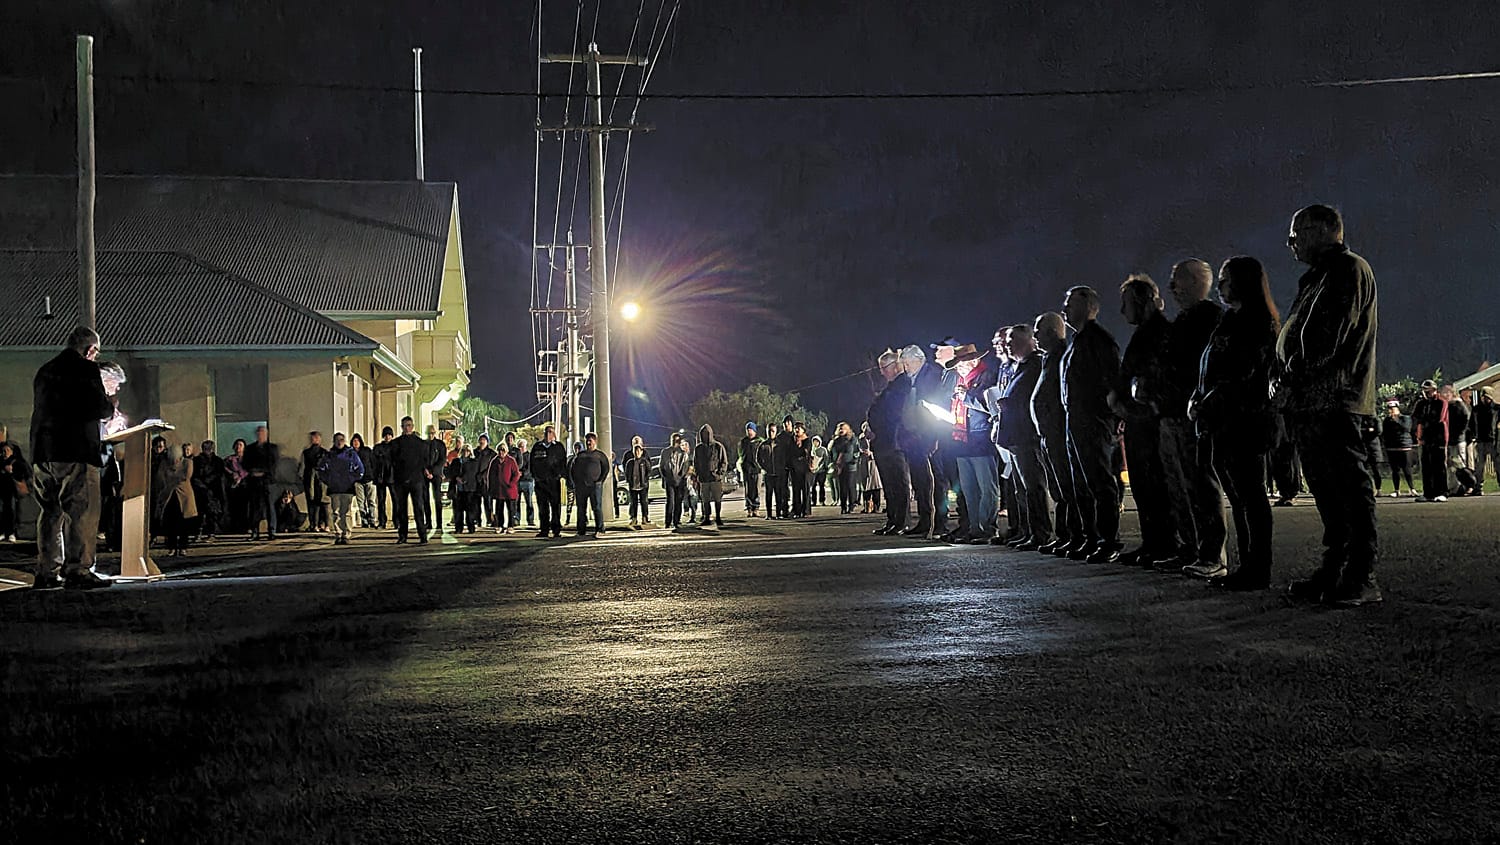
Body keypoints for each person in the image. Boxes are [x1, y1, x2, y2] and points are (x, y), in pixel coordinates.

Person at [1276, 204, 1381, 606]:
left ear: (1322, 230)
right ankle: (1334, 567)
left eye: (1296, 234)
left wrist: (1289, 374)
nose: (1291, 244)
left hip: (1336, 398)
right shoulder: (1317, 277)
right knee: (1326, 490)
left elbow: (1326, 337)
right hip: (1310, 401)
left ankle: (1361, 575)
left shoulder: (1348, 270)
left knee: (1349, 489)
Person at [1190, 256, 1280, 591]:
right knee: (1239, 497)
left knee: (1250, 496)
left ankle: (1258, 567)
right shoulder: (1231, 320)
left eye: (1226, 280)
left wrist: (1212, 398)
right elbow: (1212, 367)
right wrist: (1198, 398)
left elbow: (1247, 374)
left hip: (1245, 421)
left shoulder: (1258, 323)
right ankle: (1248, 565)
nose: (1220, 286)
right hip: (1221, 422)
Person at [28, 326, 116, 589]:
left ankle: (46, 570)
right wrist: (110, 404)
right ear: (90, 349)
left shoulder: (44, 370)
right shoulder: (87, 370)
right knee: (80, 510)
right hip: (75, 450)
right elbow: (100, 408)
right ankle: (78, 570)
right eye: (95, 352)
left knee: (50, 511)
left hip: (43, 452)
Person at [1161, 260, 1227, 577]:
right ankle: (1191, 548)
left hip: (1195, 414)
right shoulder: (1183, 320)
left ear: (1196, 282)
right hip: (1175, 411)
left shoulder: (1211, 319)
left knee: (1202, 484)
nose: (1172, 287)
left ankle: (1213, 555)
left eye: (1178, 280)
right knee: (1182, 486)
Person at [1108, 276, 1176, 565]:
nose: (1123, 312)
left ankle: (1164, 544)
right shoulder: (1145, 332)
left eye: (1126, 304)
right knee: (1143, 485)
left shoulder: (1158, 332)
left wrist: (1128, 404)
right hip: (1136, 421)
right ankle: (1152, 543)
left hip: (1148, 422)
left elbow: (1151, 379)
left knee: (1154, 485)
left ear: (1141, 301)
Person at [1060, 287, 1125, 563]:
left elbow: (1113, 379)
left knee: (1100, 482)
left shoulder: (1099, 340)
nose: (1064, 309)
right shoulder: (1078, 341)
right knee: (1082, 484)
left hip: (1094, 420)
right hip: (1076, 420)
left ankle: (1107, 540)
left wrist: (1113, 418)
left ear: (1088, 306)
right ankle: (1090, 538)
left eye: (1070, 304)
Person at [997, 323, 1051, 550]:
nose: (1008, 347)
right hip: (1016, 437)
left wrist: (1011, 404)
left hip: (1027, 435)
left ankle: (1041, 532)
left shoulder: (1036, 365)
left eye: (1013, 342)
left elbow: (1035, 398)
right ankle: (1028, 530)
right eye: (1007, 343)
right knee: (1022, 489)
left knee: (1033, 487)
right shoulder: (1020, 366)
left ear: (1028, 341)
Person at [898, 345, 946, 538]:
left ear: (918, 360)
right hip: (913, 436)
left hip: (929, 435)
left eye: (907, 362)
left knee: (937, 482)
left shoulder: (932, 375)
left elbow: (935, 406)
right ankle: (925, 520)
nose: (905, 366)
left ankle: (940, 523)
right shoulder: (909, 379)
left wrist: (934, 436)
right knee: (920, 482)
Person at [867, 349, 912, 535]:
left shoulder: (902, 385)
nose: (881, 372)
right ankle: (893, 520)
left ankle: (901, 521)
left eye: (883, 368)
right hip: (883, 441)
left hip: (893, 442)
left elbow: (894, 414)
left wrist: (876, 425)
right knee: (889, 485)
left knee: (898, 484)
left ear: (895, 366)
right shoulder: (891, 387)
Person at [389, 416, 431, 544]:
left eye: (408, 425)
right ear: (401, 427)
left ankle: (422, 535)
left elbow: (426, 461)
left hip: (416, 480)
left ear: (412, 427)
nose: (406, 428)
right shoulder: (395, 444)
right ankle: (402, 536)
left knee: (419, 508)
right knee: (401, 509)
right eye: (404, 426)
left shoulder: (421, 444)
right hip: (400, 480)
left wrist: (426, 471)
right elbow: (392, 461)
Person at [317, 432, 365, 545]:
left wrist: (352, 479)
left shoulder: (351, 454)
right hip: (334, 488)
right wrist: (328, 480)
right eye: (337, 440)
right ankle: (338, 534)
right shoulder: (329, 455)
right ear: (334, 441)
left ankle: (346, 534)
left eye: (342, 440)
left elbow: (360, 469)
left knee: (347, 512)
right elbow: (321, 470)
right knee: (336, 512)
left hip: (347, 488)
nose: (340, 442)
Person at [152, 439, 198, 557]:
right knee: (170, 523)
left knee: (184, 523)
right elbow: (160, 478)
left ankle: (183, 547)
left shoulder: (188, 463)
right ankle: (171, 547)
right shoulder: (164, 464)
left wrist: (171, 479)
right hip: (169, 497)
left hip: (183, 497)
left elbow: (185, 477)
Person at [1413, 379, 1450, 503]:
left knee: (1439, 466)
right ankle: (1428, 493)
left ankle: (1442, 492)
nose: (1426, 394)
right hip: (1426, 438)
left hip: (1438, 437)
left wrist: (1425, 420)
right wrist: (1419, 434)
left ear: (1434, 391)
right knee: (1426, 466)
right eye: (1424, 391)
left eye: (1428, 391)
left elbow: (1438, 418)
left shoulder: (1441, 402)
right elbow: (1416, 417)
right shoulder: (1421, 404)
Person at [243, 427, 281, 541]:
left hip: (267, 481)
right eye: (259, 433)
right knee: (255, 507)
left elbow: (274, 464)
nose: (261, 435)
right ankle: (255, 532)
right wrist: (253, 472)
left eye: (263, 433)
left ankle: (272, 531)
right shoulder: (250, 449)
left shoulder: (272, 448)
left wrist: (262, 472)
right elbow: (245, 463)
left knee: (270, 506)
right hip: (254, 482)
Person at [570, 433, 610, 537]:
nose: (588, 443)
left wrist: (600, 481)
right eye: (587, 441)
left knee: (597, 507)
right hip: (581, 487)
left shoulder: (600, 455)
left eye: (590, 441)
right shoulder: (580, 455)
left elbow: (606, 469)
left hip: (595, 486)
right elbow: (572, 469)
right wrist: (575, 482)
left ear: (595, 442)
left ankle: (600, 529)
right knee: (581, 508)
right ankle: (581, 530)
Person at [1442, 384, 1479, 496]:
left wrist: (1459, 433)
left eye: (1445, 393)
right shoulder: (1450, 406)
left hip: (1458, 440)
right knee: (1452, 465)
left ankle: (1467, 485)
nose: (1443, 395)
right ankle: (1454, 487)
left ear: (1451, 394)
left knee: (1459, 464)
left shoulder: (1458, 405)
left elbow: (1465, 420)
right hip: (1452, 439)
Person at [530, 426, 567, 539]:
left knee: (555, 506)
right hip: (540, 482)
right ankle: (544, 529)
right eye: (546, 432)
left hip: (553, 482)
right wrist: (535, 477)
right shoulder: (537, 447)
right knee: (542, 508)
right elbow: (532, 463)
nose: (548, 434)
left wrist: (559, 475)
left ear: (554, 434)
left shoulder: (559, 447)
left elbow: (563, 463)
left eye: (550, 432)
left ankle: (556, 530)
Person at [190, 439, 226, 541]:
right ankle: (198, 532)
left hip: (214, 491)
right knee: (199, 513)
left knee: (212, 512)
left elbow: (220, 474)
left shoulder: (218, 461)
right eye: (206, 448)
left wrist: (210, 482)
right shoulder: (196, 460)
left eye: (209, 448)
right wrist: (201, 484)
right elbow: (194, 475)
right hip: (200, 490)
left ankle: (211, 533)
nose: (207, 450)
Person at [693, 424, 730, 527]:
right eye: (703, 434)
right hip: (704, 479)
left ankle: (718, 517)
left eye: (707, 433)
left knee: (717, 499)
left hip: (715, 478)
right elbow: (695, 463)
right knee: (705, 500)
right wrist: (698, 474)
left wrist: (720, 474)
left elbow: (724, 462)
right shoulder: (698, 448)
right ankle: (706, 517)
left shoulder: (718, 446)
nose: (705, 435)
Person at [1380, 399, 1417, 498]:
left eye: (1393, 409)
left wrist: (1396, 420)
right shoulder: (1387, 420)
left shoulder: (1406, 418)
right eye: (1390, 409)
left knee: (1407, 469)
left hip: (1404, 447)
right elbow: (1385, 432)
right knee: (1395, 470)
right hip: (1392, 448)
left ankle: (1412, 489)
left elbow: (1407, 428)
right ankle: (1397, 490)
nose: (1391, 411)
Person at [1, 441, 32, 542]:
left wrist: (11, 473)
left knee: (12, 511)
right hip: (4, 491)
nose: (5, 453)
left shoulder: (18, 462)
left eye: (7, 450)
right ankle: (3, 532)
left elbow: (26, 474)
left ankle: (11, 532)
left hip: (14, 492)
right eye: (3, 451)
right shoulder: (1, 462)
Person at [1469, 387, 1499, 493]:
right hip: (1481, 440)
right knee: (1479, 465)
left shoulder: (1496, 409)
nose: (1485, 399)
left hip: (1493, 440)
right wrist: (1473, 435)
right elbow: (1471, 424)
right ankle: (1478, 487)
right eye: (1484, 397)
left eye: (1487, 397)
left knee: (1498, 464)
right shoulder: (1476, 409)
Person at [300, 431, 329, 533]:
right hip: (309, 480)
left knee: (323, 502)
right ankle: (313, 523)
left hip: (321, 480)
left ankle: (323, 523)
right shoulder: (306, 452)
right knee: (311, 502)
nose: (315, 439)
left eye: (317, 438)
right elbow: (302, 467)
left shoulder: (325, 452)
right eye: (313, 438)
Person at [829, 422, 860, 514]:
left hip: (850, 466)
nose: (841, 430)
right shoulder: (837, 441)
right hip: (840, 466)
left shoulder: (853, 439)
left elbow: (856, 451)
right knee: (842, 487)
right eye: (840, 429)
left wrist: (854, 459)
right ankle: (843, 506)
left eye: (843, 428)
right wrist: (835, 462)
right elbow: (832, 452)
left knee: (850, 485)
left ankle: (851, 505)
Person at [660, 433, 690, 529]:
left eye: (677, 440)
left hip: (680, 481)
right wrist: (666, 477)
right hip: (669, 481)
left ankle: (676, 521)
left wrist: (680, 477)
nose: (675, 442)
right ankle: (668, 522)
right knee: (670, 502)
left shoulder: (683, 453)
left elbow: (685, 467)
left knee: (678, 501)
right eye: (673, 440)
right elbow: (662, 466)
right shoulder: (665, 452)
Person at [623, 437, 653, 528]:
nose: (637, 452)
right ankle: (633, 518)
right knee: (633, 502)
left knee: (644, 501)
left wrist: (646, 479)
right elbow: (626, 469)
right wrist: (629, 480)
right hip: (633, 485)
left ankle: (645, 518)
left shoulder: (645, 458)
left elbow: (649, 469)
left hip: (643, 484)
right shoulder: (629, 458)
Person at [491, 443, 520, 533]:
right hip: (499, 489)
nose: (501, 452)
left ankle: (510, 526)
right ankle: (499, 525)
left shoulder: (511, 460)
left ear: (506, 451)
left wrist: (511, 483)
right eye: (499, 450)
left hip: (509, 490)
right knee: (499, 509)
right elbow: (490, 475)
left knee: (511, 509)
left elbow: (516, 473)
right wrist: (491, 487)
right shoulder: (494, 461)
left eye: (503, 450)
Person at [371, 426, 395, 529]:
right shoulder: (378, 448)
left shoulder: (395, 446)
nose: (387, 437)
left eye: (389, 435)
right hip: (380, 477)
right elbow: (374, 462)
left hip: (392, 476)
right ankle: (382, 521)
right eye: (386, 435)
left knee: (396, 499)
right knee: (381, 500)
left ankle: (396, 521)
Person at [349, 433, 375, 528]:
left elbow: (373, 463)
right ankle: (364, 520)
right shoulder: (350, 453)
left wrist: (373, 475)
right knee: (361, 502)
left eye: (357, 441)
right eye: (354, 441)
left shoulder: (367, 451)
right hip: (358, 481)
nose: (356, 443)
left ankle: (372, 519)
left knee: (371, 501)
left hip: (369, 479)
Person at [424, 425, 447, 532]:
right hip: (425, 474)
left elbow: (442, 460)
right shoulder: (423, 445)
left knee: (437, 499)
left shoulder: (440, 445)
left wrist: (433, 472)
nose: (431, 435)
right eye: (429, 433)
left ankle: (439, 523)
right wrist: (426, 471)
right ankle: (428, 522)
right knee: (425, 499)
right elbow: (421, 459)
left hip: (436, 474)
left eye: (433, 433)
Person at [223, 438, 249, 535]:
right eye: (237, 445)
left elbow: (249, 470)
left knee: (244, 508)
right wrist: (232, 474)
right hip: (233, 487)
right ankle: (234, 527)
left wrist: (240, 476)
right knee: (233, 508)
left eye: (241, 445)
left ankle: (245, 527)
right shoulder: (229, 459)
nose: (238, 447)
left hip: (245, 486)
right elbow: (224, 469)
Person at [771, 417, 795, 519]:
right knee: (783, 488)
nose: (787, 425)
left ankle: (795, 509)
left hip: (794, 465)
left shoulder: (795, 436)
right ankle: (784, 510)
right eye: (785, 423)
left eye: (789, 423)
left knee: (796, 488)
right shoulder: (780, 437)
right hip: (783, 466)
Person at [472, 433, 498, 527]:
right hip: (475, 481)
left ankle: (490, 520)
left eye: (484, 440)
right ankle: (477, 520)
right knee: (476, 503)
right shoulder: (474, 452)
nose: (482, 441)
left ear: (487, 442)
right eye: (481, 440)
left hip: (486, 482)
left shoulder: (492, 453)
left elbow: (494, 466)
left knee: (488, 503)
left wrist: (484, 474)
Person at [857, 425, 882, 513]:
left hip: (874, 463)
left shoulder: (876, 437)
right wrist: (862, 452)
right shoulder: (861, 438)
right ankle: (867, 506)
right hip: (864, 462)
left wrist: (871, 453)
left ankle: (876, 506)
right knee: (866, 485)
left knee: (875, 485)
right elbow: (858, 449)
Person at [789, 423, 812, 518]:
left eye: (799, 428)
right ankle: (796, 510)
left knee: (805, 489)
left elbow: (805, 452)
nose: (797, 430)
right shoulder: (792, 440)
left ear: (803, 429)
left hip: (804, 469)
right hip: (794, 468)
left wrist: (800, 447)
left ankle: (806, 510)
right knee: (796, 490)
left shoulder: (807, 440)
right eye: (795, 428)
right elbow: (790, 453)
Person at [739, 422, 762, 517]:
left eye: (751, 430)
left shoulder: (759, 441)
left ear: (755, 431)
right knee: (748, 490)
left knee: (757, 489)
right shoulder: (743, 442)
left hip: (757, 469)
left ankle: (756, 508)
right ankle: (749, 508)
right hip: (747, 469)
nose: (749, 432)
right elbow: (741, 454)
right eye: (748, 430)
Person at [759, 423, 781, 520]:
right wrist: (764, 467)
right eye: (769, 431)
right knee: (768, 494)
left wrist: (781, 467)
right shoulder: (763, 445)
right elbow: (758, 458)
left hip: (778, 473)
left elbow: (784, 457)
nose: (771, 433)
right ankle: (769, 514)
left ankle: (778, 513)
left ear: (776, 432)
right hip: (768, 474)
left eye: (772, 431)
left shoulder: (780, 444)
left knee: (778, 494)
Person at [515, 436, 535, 527]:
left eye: (522, 446)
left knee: (529, 502)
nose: (521, 448)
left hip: (528, 481)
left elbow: (530, 468)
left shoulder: (529, 455)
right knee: (516, 502)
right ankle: (516, 519)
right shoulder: (516, 456)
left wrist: (522, 473)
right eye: (519, 446)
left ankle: (530, 520)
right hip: (517, 481)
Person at [810, 435, 830, 507]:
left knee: (821, 486)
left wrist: (826, 466)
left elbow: (826, 459)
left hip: (822, 471)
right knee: (813, 486)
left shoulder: (823, 450)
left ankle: (822, 500)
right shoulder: (811, 450)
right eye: (814, 441)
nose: (815, 443)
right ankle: (813, 501)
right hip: (813, 471)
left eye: (817, 441)